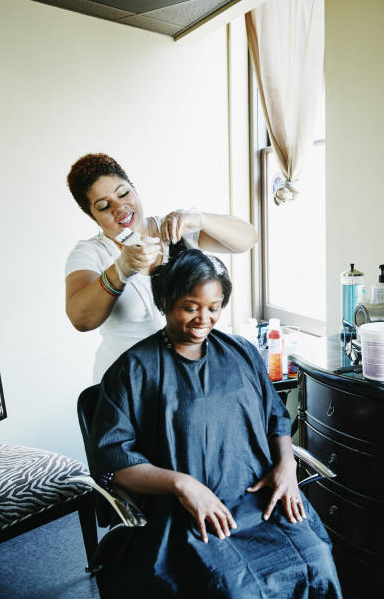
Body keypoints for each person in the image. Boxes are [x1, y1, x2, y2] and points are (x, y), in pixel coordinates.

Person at [88, 250, 341, 598]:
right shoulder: (133, 370)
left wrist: (286, 465)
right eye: (190, 307)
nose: (203, 319)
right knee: (233, 587)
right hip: (185, 513)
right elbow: (115, 463)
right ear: (166, 301)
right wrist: (182, 484)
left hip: (258, 498)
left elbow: (276, 419)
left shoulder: (242, 352)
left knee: (317, 562)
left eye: (214, 307)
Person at [64, 153, 258, 383]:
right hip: (127, 385)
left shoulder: (175, 229)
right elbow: (81, 319)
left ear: (134, 189)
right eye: (104, 206)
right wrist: (121, 270)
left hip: (182, 382)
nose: (120, 208)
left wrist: (199, 218)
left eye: (123, 193)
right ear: (92, 216)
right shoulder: (90, 253)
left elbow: (247, 239)